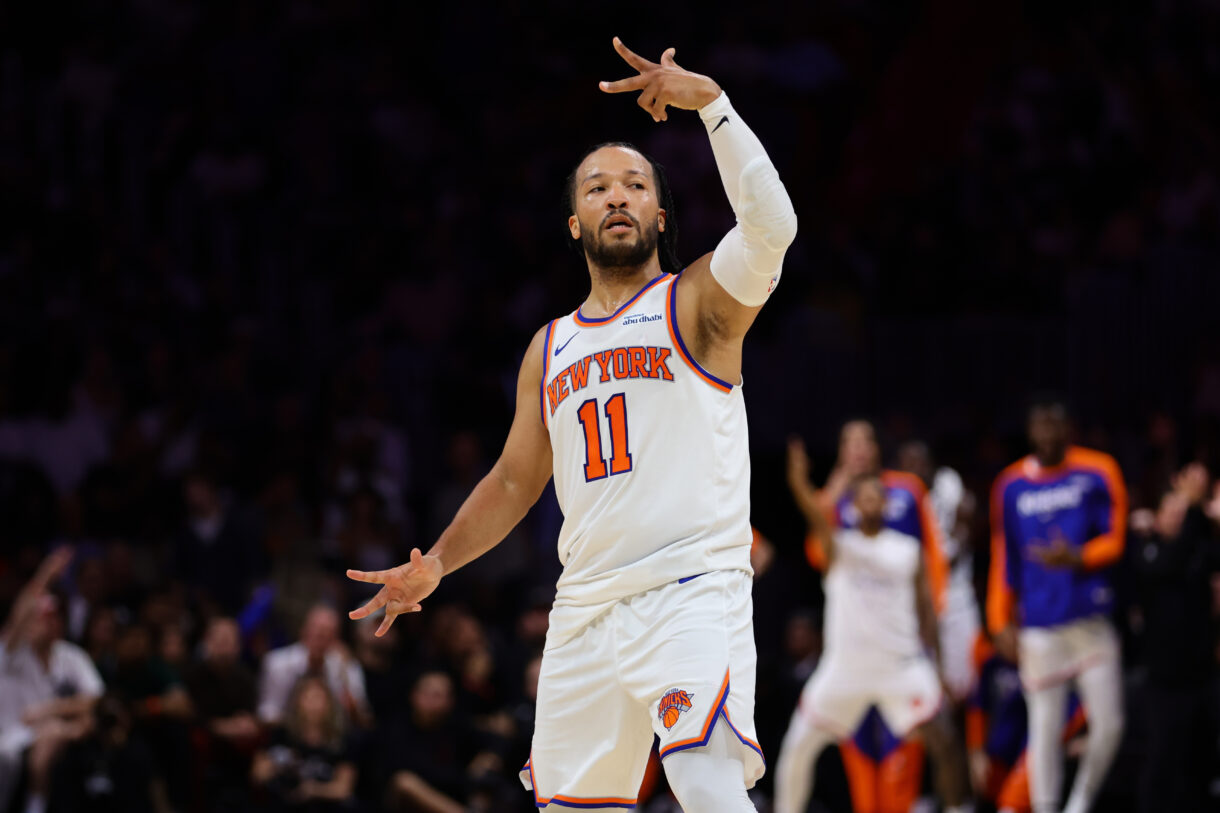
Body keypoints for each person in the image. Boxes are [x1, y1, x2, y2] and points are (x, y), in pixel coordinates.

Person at [347, 37, 797, 811]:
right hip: (584, 605)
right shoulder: (548, 347)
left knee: (706, 782)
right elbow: (518, 479)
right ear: (572, 221)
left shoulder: (697, 305)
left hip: (688, 588)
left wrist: (713, 106)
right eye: (597, 188)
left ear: (661, 211)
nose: (616, 196)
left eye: (633, 184)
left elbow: (772, 229)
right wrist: (438, 565)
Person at [773, 461, 970, 813]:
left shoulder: (907, 550)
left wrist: (937, 667)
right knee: (797, 748)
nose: (869, 503)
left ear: (886, 504)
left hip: (900, 666)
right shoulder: (838, 547)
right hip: (843, 669)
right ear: (851, 506)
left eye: (875, 497)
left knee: (946, 740)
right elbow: (813, 513)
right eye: (861, 497)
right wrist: (799, 482)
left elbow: (927, 613)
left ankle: (957, 808)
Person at [987, 397, 1127, 813]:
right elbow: (1003, 559)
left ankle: (1079, 804)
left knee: (1111, 725)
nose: (1048, 434)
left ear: (1069, 429)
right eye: (1040, 425)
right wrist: (998, 622)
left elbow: (1117, 538)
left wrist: (1080, 556)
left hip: (1090, 619)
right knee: (1044, 731)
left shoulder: (1098, 470)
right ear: (1030, 431)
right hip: (1040, 625)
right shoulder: (1010, 484)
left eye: (1055, 425)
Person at [1128, 462, 1218, 813]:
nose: (1178, 518)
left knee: (1202, 766)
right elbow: (1170, 563)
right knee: (1161, 765)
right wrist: (1194, 507)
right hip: (1163, 683)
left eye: (1184, 513)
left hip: (1203, 677)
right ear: (1158, 515)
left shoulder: (1202, 550)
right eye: (1172, 511)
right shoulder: (1149, 552)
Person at [0, 549, 105, 813]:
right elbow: (19, 613)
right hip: (9, 735)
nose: (42, 624)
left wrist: (51, 710)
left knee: (67, 728)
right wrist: (45, 574)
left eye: (49, 617)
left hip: (44, 730)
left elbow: (96, 697)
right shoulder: (13, 652)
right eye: (37, 618)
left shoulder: (69, 655)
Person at [897, 439, 980, 703]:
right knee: (927, 684)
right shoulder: (898, 499)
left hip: (956, 595)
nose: (916, 468)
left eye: (921, 462)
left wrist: (964, 522)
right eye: (909, 464)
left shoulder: (947, 482)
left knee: (966, 679)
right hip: (917, 601)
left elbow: (963, 529)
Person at [252, 675, 357, 813]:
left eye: (318, 698)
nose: (313, 705)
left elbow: (343, 789)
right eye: (307, 698)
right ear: (297, 702)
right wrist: (279, 766)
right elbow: (257, 775)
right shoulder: (281, 734)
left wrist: (312, 790)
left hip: (323, 806)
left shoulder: (341, 740)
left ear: (329, 704)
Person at [259, 605, 371, 728]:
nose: (321, 640)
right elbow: (267, 713)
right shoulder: (277, 663)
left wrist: (352, 708)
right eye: (317, 633)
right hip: (284, 733)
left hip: (331, 738)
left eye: (328, 634)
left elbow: (363, 717)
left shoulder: (346, 666)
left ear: (335, 639)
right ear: (303, 631)